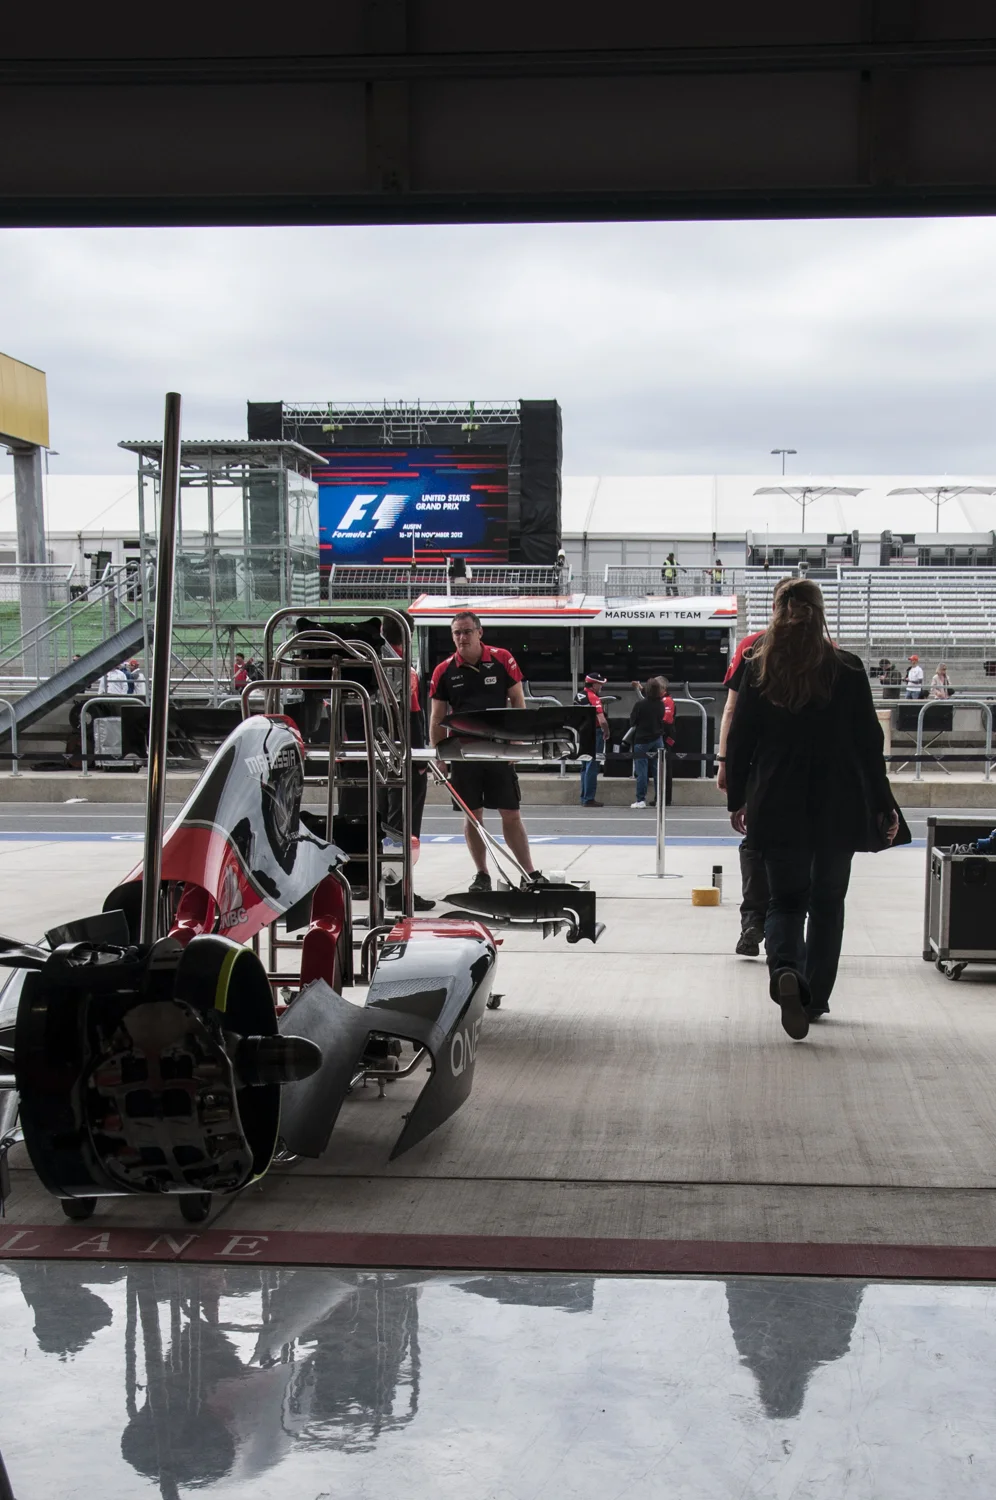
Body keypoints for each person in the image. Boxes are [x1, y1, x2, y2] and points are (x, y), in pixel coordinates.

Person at [726, 578, 901, 1041]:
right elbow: (869, 744)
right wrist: (882, 804)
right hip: (838, 803)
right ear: (820, 612)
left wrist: (737, 798)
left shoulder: (758, 667)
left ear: (777, 611)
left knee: (785, 901)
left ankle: (786, 969)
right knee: (828, 902)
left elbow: (741, 739)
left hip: (776, 799)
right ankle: (816, 997)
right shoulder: (848, 668)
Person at [429, 610, 539, 893]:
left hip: (498, 751)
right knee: (473, 816)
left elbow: (518, 701)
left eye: (467, 631)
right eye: (457, 633)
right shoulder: (444, 670)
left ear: (480, 632)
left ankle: (529, 873)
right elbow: (437, 718)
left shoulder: (502, 658)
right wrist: (439, 757)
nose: (462, 637)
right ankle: (482, 874)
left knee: (511, 813)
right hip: (463, 754)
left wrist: (517, 743)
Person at [716, 629, 769, 956]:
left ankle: (753, 921)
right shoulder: (826, 647)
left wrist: (725, 763)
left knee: (756, 844)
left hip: (762, 767)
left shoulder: (753, 645)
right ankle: (784, 931)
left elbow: (732, 711)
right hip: (811, 772)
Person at [380, 614, 435, 912]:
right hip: (403, 757)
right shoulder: (405, 669)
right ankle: (399, 891)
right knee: (405, 825)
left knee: (385, 823)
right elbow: (413, 718)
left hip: (377, 755)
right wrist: (420, 760)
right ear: (408, 635)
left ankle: (384, 887)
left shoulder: (371, 663)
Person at [627, 676, 674, 808]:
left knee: (641, 771)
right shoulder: (661, 704)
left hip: (642, 740)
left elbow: (633, 722)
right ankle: (660, 799)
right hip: (658, 739)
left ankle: (641, 799)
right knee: (658, 770)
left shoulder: (640, 705)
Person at [575, 672, 610, 807]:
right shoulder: (593, 698)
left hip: (582, 732)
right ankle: (589, 798)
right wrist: (606, 731)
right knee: (592, 766)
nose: (601, 687)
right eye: (600, 684)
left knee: (584, 765)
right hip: (594, 733)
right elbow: (602, 720)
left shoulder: (579, 696)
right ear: (594, 684)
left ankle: (584, 797)